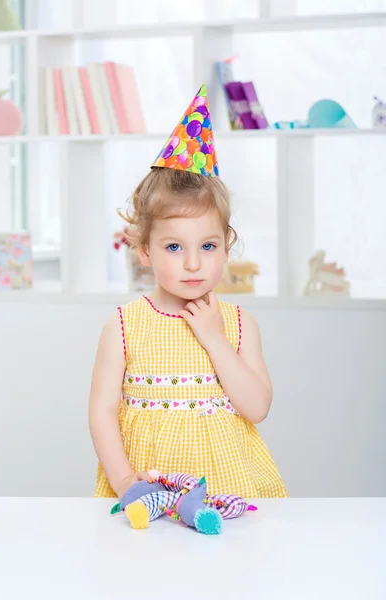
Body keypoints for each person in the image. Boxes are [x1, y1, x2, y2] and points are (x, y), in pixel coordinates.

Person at [89, 85, 287, 500]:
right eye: (174, 247)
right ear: (145, 250)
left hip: (226, 489)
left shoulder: (237, 324)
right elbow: (102, 410)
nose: (193, 263)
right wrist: (125, 480)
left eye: (208, 246)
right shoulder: (125, 324)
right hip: (149, 486)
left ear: (226, 247)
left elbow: (257, 408)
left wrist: (213, 338)